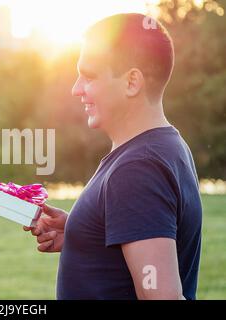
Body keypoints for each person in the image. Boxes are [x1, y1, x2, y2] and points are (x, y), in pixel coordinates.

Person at [24, 13, 202, 300]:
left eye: (89, 76)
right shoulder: (164, 146)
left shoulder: (138, 169)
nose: (76, 88)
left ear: (132, 82)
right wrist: (85, 234)